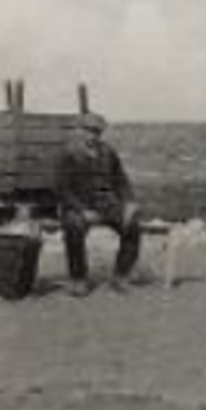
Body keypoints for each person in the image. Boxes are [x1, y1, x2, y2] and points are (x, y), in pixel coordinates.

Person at [54, 113, 144, 297]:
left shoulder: (108, 152)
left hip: (107, 206)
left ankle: (120, 276)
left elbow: (121, 181)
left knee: (132, 227)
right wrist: (82, 210)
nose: (93, 135)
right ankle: (78, 279)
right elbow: (62, 189)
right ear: (79, 131)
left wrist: (129, 203)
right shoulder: (68, 154)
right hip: (78, 206)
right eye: (89, 131)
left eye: (97, 132)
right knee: (74, 228)